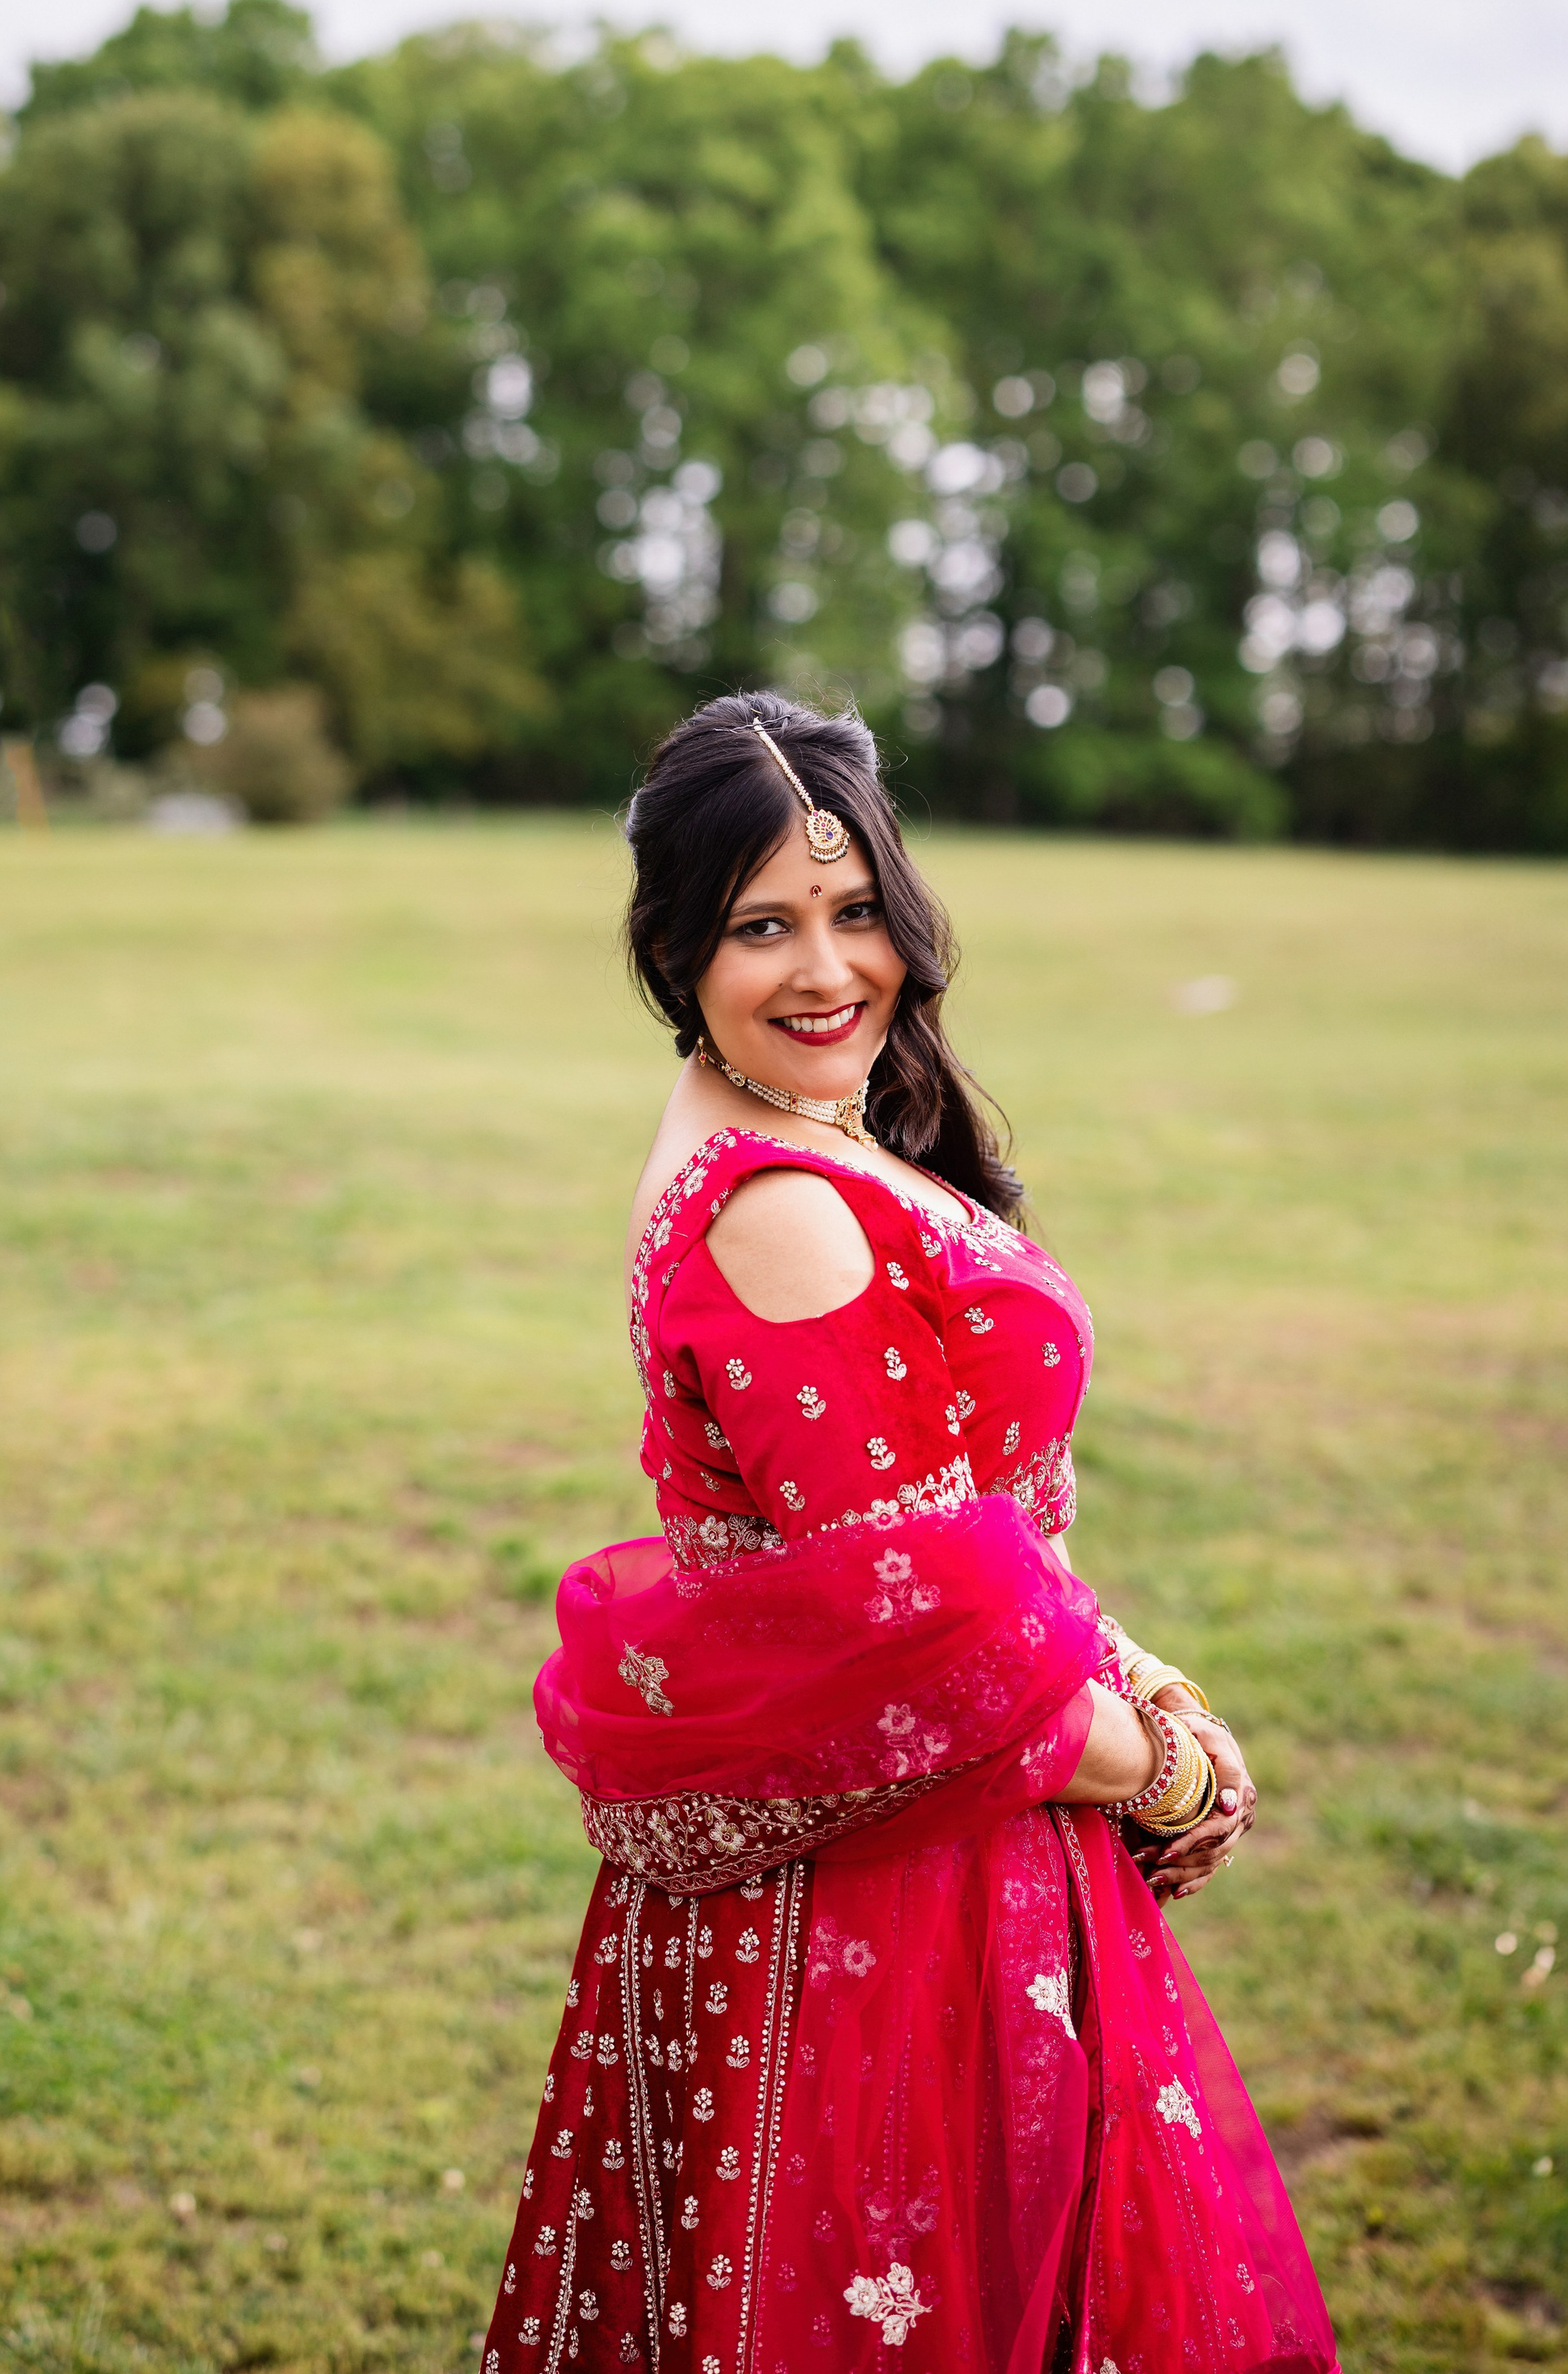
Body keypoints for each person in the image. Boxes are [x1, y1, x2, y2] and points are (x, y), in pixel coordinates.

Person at [483, 693, 1339, 2374]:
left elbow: (958, 1536)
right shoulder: (783, 1206)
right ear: (673, 946)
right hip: (888, 1901)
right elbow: (931, 1637)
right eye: (760, 926)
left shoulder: (793, 1129)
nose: (824, 969)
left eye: (855, 908)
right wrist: (1162, 1767)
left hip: (924, 1841)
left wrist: (1133, 1667)